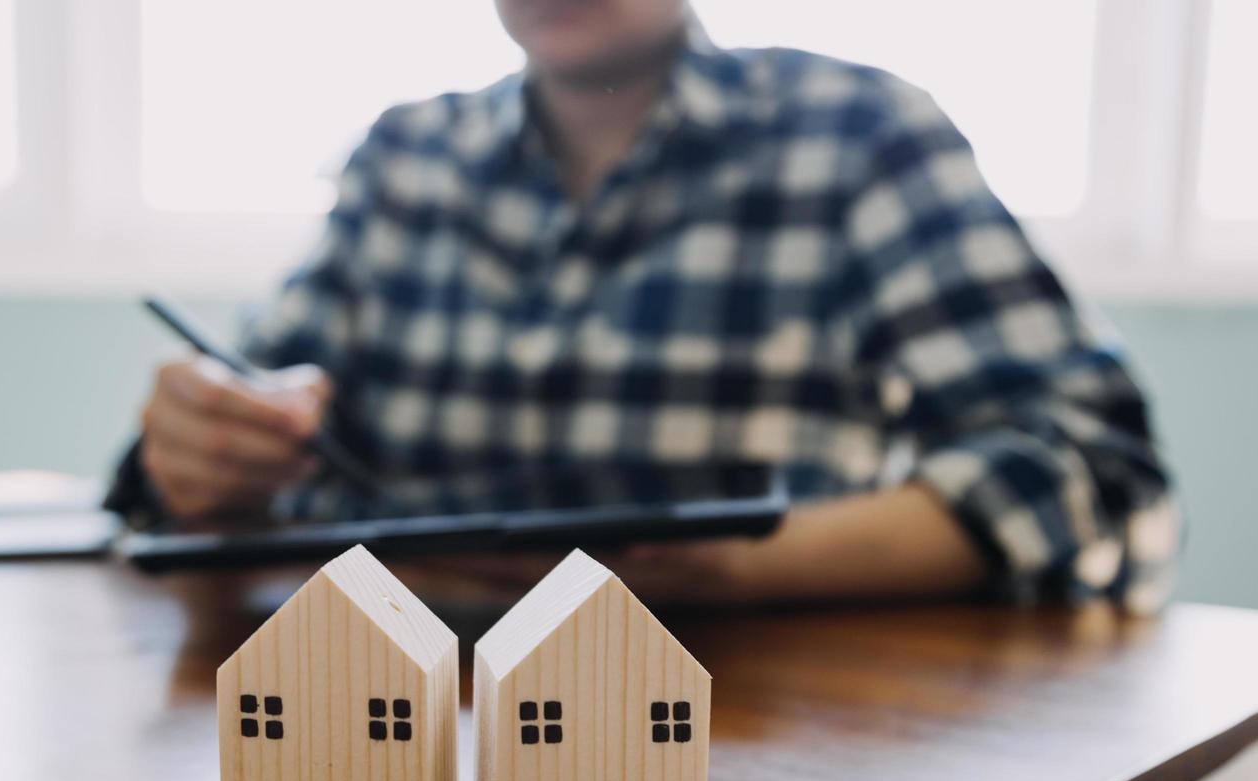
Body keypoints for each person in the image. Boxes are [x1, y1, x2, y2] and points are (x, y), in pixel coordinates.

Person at [110, 0, 1177, 610]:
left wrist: (732, 567)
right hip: (412, 723)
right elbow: (210, 467)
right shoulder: (404, 158)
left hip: (764, 742)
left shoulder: (856, 134)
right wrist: (203, 453)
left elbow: (1095, 471)